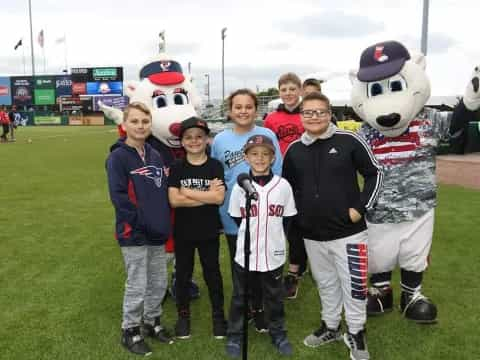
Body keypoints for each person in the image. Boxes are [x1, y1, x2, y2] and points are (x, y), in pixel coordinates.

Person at [283, 92, 383, 360]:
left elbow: (375, 173)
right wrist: (297, 220)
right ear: (301, 115)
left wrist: (360, 208)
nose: (314, 117)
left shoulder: (349, 140)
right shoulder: (294, 150)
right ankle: (331, 326)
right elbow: (288, 188)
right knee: (326, 283)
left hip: (349, 232)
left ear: (329, 114)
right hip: (312, 235)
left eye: (320, 112)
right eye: (308, 112)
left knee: (354, 285)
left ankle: (356, 332)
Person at [211, 88, 282, 332]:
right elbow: (216, 176)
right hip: (232, 214)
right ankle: (245, 307)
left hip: (263, 214)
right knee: (239, 265)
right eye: (238, 107)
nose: (243, 111)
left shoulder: (267, 134)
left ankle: (260, 308)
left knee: (264, 264)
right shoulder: (220, 140)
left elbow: (278, 173)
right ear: (230, 111)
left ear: (256, 109)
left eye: (248, 106)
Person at [106, 102, 173, 356]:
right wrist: (139, 222)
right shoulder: (118, 157)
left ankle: (151, 321)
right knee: (137, 282)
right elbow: (119, 197)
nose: (140, 126)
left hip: (157, 230)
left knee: (159, 280)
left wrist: (161, 221)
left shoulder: (154, 155)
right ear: (124, 124)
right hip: (132, 232)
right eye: (134, 121)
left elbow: (160, 193)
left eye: (145, 121)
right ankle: (130, 329)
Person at [226, 134, 297, 357]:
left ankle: (278, 334)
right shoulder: (240, 186)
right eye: (254, 154)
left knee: (274, 297)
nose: (260, 158)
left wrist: (275, 238)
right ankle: (235, 336)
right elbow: (237, 217)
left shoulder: (283, 185)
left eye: (265, 154)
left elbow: (287, 218)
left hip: (273, 252)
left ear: (273, 158)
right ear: (246, 157)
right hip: (245, 253)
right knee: (240, 296)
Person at [167, 116, 227, 340]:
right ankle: (183, 316)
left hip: (208, 230)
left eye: (199, 137)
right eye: (189, 138)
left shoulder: (214, 165)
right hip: (183, 231)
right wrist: (207, 196)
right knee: (182, 275)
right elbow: (174, 200)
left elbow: (219, 199)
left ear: (206, 139)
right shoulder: (177, 167)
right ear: (182, 142)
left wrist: (188, 192)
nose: (194, 141)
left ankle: (218, 316)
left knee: (213, 273)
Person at [264, 72, 307, 300]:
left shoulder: (308, 114)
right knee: (276, 225)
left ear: (300, 90)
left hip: (304, 178)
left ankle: (294, 273)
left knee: (297, 228)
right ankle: (274, 267)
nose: (289, 93)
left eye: (293, 89)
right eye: (284, 89)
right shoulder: (272, 118)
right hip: (278, 178)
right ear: (279, 91)